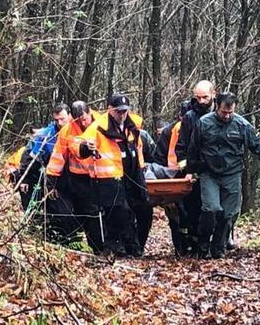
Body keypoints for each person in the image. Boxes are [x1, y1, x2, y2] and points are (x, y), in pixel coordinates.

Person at [186, 92, 260, 258]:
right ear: (217, 107)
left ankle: (218, 248)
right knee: (211, 208)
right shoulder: (204, 123)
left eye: (230, 112)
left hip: (232, 173)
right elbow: (193, 148)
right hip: (209, 172)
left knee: (229, 214)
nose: (227, 116)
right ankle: (202, 245)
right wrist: (190, 171)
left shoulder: (241, 125)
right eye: (224, 112)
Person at [77, 93, 147, 257]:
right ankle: (116, 247)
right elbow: (80, 148)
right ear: (109, 109)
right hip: (108, 179)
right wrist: (88, 147)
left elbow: (138, 147)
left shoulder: (132, 125)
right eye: (118, 112)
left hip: (132, 175)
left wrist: (141, 169)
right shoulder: (98, 127)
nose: (122, 115)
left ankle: (134, 247)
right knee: (119, 212)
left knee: (139, 209)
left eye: (124, 111)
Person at [14, 103, 79, 244]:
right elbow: (30, 158)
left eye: (62, 119)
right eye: (56, 120)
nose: (59, 123)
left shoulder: (78, 130)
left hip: (77, 176)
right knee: (58, 210)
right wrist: (23, 178)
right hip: (53, 177)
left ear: (69, 116)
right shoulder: (46, 135)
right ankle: (57, 240)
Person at [46, 101, 103, 253]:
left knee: (101, 214)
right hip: (79, 179)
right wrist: (51, 182)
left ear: (89, 112)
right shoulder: (68, 131)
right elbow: (58, 157)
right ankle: (86, 247)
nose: (83, 122)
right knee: (83, 212)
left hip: (102, 176)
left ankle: (101, 247)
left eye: (84, 118)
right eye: (79, 120)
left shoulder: (103, 123)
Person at [175, 80, 217, 256]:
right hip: (194, 172)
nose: (201, 102)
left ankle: (218, 241)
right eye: (197, 98)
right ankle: (196, 244)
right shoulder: (189, 118)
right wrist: (187, 169)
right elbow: (181, 147)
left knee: (217, 210)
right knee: (193, 210)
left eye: (205, 97)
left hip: (216, 171)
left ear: (213, 94)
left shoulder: (222, 113)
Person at [150, 100, 192, 255]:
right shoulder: (169, 132)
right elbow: (159, 160)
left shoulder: (202, 128)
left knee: (192, 214)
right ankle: (179, 248)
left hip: (191, 180)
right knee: (176, 216)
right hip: (173, 182)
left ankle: (193, 246)